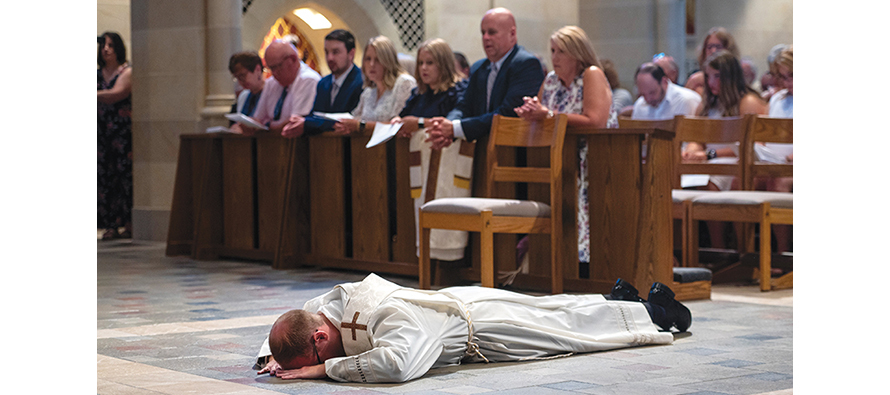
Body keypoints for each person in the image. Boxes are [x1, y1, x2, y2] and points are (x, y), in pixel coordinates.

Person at [254, 273, 691, 383]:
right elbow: (290, 322)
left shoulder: (387, 319)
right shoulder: (328, 306)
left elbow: (399, 364)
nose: (326, 359)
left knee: (568, 330)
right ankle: (620, 299)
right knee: (553, 309)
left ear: (320, 338)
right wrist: (270, 357)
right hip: (459, 300)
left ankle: (660, 312)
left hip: (485, 327)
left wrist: (323, 371)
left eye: (318, 354)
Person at [513, 25, 614, 266]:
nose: (554, 57)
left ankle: (584, 264)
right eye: (552, 50)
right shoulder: (550, 81)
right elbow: (543, 112)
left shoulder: (591, 74)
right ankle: (552, 264)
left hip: (593, 157)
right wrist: (530, 112)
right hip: (557, 155)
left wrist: (547, 115)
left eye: (561, 52)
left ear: (577, 54)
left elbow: (596, 121)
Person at [389, 38, 470, 261]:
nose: (424, 68)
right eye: (421, 63)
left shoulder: (459, 89)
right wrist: (399, 120)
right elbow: (406, 115)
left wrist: (419, 124)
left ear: (443, 64)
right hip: (420, 167)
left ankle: (447, 260)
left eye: (430, 63)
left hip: (446, 164)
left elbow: (452, 122)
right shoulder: (419, 93)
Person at [425, 7, 545, 150]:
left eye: (492, 32)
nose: (486, 38)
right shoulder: (478, 68)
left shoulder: (526, 64)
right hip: (480, 151)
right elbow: (464, 106)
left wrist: (455, 128)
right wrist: (448, 125)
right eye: (483, 33)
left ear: (512, 33)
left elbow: (508, 114)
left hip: (512, 152)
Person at [684, 50, 768, 249]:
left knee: (710, 181)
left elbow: (755, 145)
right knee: (692, 175)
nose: (711, 82)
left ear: (731, 77)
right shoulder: (707, 104)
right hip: (713, 161)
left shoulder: (746, 102)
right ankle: (713, 249)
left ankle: (736, 249)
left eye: (717, 76)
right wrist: (691, 151)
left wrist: (710, 154)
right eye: (708, 76)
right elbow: (697, 137)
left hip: (741, 161)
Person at [332, 36, 416, 135]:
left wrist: (361, 126)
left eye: (377, 59)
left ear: (388, 61)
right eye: (368, 59)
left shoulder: (404, 83)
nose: (371, 64)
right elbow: (355, 118)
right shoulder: (368, 91)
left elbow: (400, 124)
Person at [239, 40, 321, 138]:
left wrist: (268, 125)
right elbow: (258, 119)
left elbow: (294, 123)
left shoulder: (308, 80)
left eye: (277, 67)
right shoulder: (271, 83)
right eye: (270, 68)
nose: (274, 73)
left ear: (293, 59)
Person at [97, 31, 133, 240]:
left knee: (124, 177)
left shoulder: (126, 72)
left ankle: (128, 222)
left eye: (110, 45)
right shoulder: (97, 74)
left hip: (121, 132)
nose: (106, 49)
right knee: (104, 178)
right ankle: (110, 225)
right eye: (103, 45)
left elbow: (117, 93)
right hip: (101, 131)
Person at [304, 29, 363, 136]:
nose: (329, 58)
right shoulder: (323, 83)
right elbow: (314, 117)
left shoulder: (361, 81)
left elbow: (347, 122)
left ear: (351, 54)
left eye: (335, 52)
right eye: (326, 52)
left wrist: (318, 124)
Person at [631, 62, 701, 120]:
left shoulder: (686, 101)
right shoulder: (640, 105)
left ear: (664, 82)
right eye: (643, 94)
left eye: (652, 93)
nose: (648, 99)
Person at [685, 27, 740, 97]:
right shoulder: (694, 77)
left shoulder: (737, 76)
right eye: (709, 47)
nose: (713, 51)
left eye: (718, 46)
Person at [227, 51, 265, 131]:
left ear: (257, 69)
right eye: (237, 77)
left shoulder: (271, 90)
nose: (240, 81)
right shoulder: (244, 96)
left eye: (243, 75)